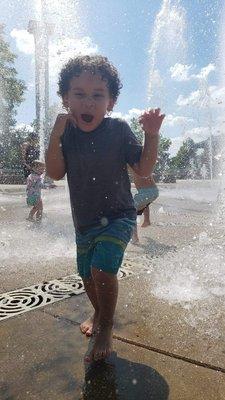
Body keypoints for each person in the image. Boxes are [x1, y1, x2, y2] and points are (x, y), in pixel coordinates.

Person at [45, 55, 165, 362]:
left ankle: (107, 326)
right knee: (86, 275)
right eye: (79, 94)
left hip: (118, 216)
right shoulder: (66, 134)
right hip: (83, 222)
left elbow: (143, 166)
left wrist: (151, 135)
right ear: (66, 99)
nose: (88, 103)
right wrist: (55, 135)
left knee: (102, 268)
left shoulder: (118, 130)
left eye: (97, 95)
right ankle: (98, 313)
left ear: (110, 102)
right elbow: (55, 173)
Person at [131, 171, 159, 243]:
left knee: (130, 209)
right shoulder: (141, 165)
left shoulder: (132, 164)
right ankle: (147, 220)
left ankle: (135, 237)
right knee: (144, 202)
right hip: (152, 191)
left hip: (147, 192)